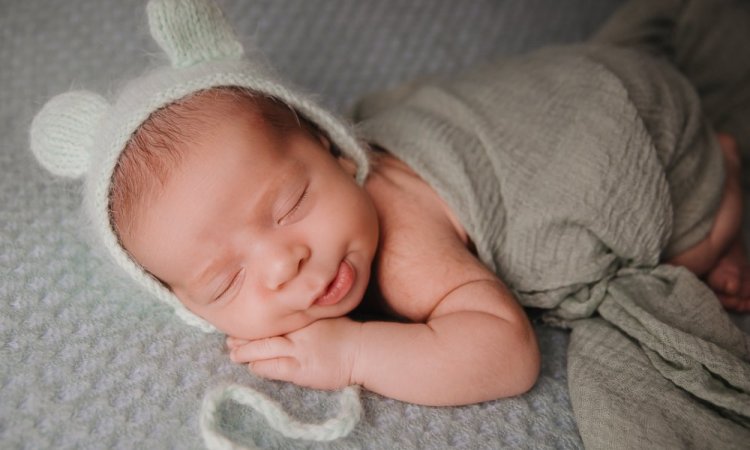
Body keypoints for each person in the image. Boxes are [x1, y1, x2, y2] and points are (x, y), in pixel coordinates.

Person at [30, 0, 750, 408]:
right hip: (589, 77)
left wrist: (354, 351)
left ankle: (721, 181)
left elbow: (506, 356)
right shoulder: (327, 209)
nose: (286, 261)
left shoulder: (403, 246)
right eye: (225, 282)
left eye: (290, 204)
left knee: (678, 243)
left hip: (634, 125)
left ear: (341, 151)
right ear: (189, 307)